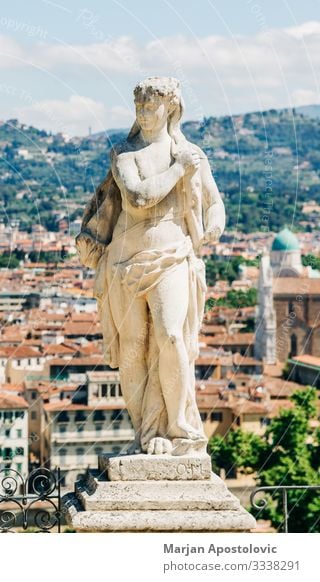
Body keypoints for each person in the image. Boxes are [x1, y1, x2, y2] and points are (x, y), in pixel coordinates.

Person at [76, 77, 225, 456]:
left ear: (171, 107)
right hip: (125, 262)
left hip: (172, 256)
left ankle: (179, 428)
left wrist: (214, 224)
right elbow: (139, 197)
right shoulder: (125, 154)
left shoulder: (194, 155)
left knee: (171, 336)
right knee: (133, 347)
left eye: (151, 106)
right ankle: (147, 430)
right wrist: (179, 171)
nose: (143, 113)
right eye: (139, 106)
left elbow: (214, 202)